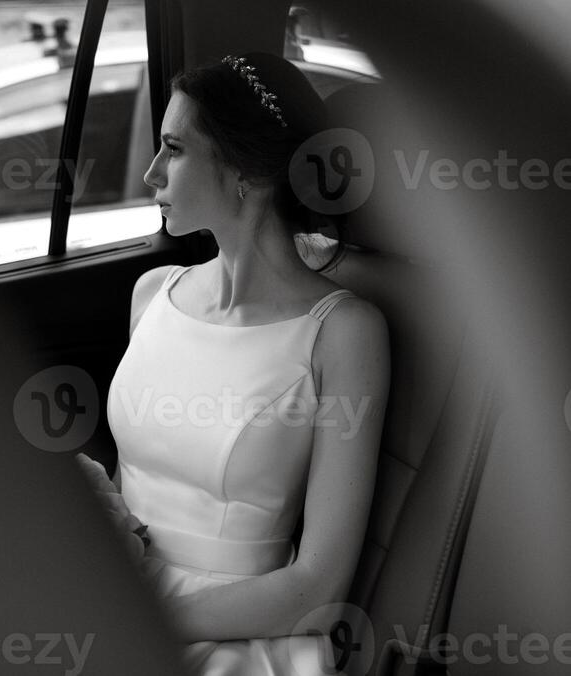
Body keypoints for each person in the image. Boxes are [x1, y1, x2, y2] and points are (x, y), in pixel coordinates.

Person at [88, 51, 390, 675]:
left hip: (237, 634)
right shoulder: (153, 295)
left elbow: (316, 590)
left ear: (244, 171)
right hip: (114, 600)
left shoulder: (342, 333)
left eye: (173, 148)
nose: (150, 173)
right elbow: (130, 488)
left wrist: (133, 615)